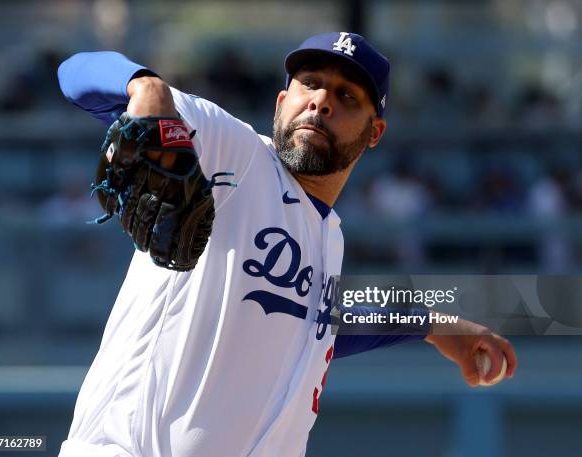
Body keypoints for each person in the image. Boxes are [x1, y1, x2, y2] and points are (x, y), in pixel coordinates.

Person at [57, 32, 517, 457]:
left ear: (374, 132)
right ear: (282, 102)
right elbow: (76, 72)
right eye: (310, 84)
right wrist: (146, 87)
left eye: (346, 96)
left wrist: (433, 325)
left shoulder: (327, 237)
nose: (320, 102)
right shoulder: (233, 153)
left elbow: (310, 327)